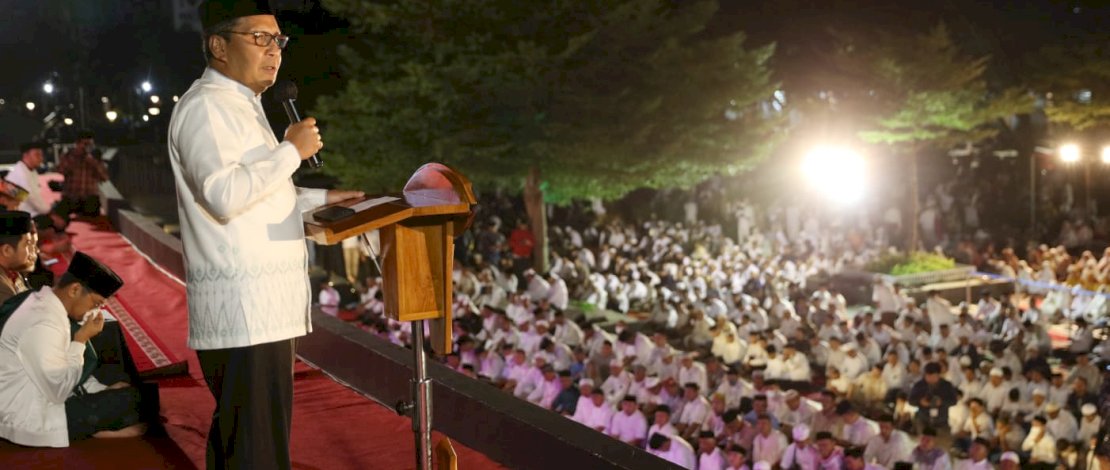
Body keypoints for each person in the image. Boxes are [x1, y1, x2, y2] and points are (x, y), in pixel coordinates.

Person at [167, 2, 364, 468]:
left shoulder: (244, 106)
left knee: (252, 443)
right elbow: (223, 195)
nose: (274, 50)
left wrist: (327, 201)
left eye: (278, 40)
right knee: (254, 449)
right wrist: (290, 151)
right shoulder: (205, 108)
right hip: (244, 307)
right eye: (259, 38)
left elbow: (265, 197)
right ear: (218, 45)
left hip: (262, 307)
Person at [0, 251, 142, 447]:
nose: (95, 312)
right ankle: (95, 429)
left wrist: (103, 390)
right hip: (25, 416)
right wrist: (81, 340)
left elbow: (59, 369)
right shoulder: (44, 323)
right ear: (75, 290)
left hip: (34, 397)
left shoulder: (44, 301)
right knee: (139, 401)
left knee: (128, 394)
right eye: (96, 303)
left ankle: (101, 422)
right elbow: (59, 390)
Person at [56, 130, 108, 218]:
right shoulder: (69, 155)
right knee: (60, 214)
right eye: (85, 144)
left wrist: (93, 162)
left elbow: (104, 177)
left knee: (93, 214)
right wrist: (75, 157)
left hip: (89, 197)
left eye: (90, 145)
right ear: (77, 144)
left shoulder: (95, 158)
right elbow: (60, 170)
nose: (87, 148)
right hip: (71, 195)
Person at [6, 142, 51, 217]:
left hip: (30, 213)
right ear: (25, 155)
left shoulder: (31, 171)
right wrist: (49, 211)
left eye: (41, 155)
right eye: (37, 155)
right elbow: (32, 198)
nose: (41, 158)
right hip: (20, 216)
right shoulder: (19, 173)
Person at [0, 211, 37, 303]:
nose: (32, 251)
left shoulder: (13, 273)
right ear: (7, 250)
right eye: (27, 244)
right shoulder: (3, 289)